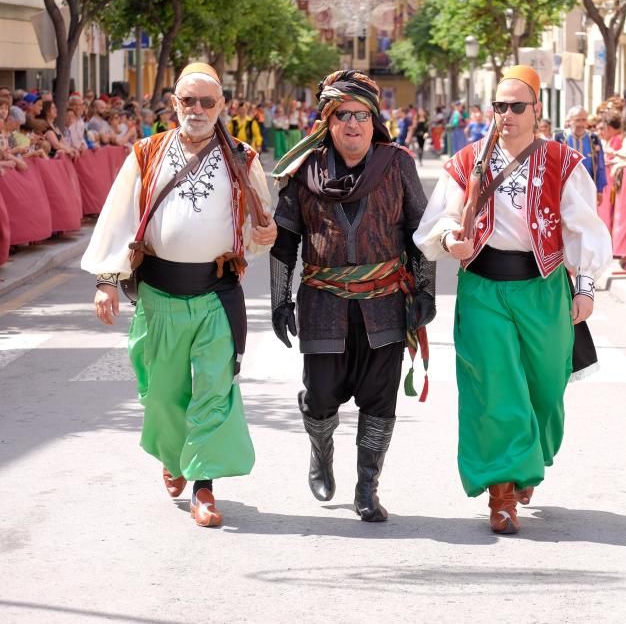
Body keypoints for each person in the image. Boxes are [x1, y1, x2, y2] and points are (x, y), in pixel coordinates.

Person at [414, 65, 612, 534]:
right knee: (494, 389)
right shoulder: (467, 162)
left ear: (537, 110)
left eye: (516, 106)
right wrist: (450, 241)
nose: (506, 114)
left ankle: (527, 458)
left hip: (543, 288)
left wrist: (584, 287)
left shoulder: (565, 162)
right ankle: (501, 489)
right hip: (483, 286)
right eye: (499, 106)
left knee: (546, 389)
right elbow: (437, 221)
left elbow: (585, 229)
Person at [81, 63, 277, 527]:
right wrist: (107, 281)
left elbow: (259, 225)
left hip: (216, 294)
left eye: (207, 102)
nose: (197, 109)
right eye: (188, 100)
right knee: (163, 394)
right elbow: (119, 217)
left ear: (222, 107)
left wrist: (263, 234)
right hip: (159, 294)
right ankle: (173, 453)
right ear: (174, 104)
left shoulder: (244, 158)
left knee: (214, 390)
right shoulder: (146, 153)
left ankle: (204, 485)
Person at [269, 70, 435, 522]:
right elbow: (285, 242)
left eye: (362, 115)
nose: (353, 125)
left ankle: (367, 487)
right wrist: (279, 298)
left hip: (385, 305)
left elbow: (421, 232)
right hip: (324, 304)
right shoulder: (305, 170)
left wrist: (425, 290)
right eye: (343, 115)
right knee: (321, 397)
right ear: (327, 120)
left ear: (374, 120)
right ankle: (321, 453)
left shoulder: (397, 163)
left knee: (379, 401)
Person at [554, 105, 607, 194]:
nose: (581, 124)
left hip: (588, 188)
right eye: (577, 120)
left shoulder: (594, 139)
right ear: (570, 121)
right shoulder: (559, 138)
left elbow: (600, 165)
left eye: (584, 120)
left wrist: (599, 190)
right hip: (566, 189)